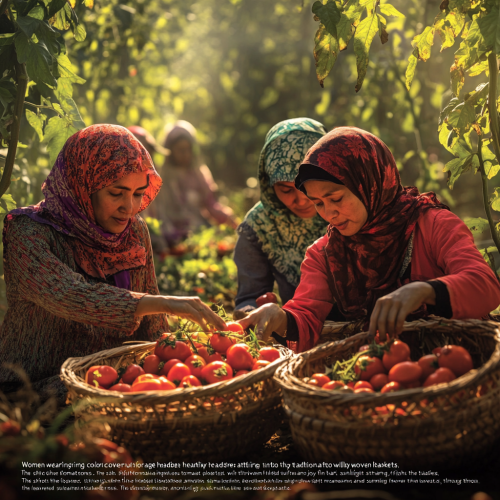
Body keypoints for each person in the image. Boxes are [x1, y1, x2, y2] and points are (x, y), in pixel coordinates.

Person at [0, 124, 226, 397]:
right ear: (83, 184)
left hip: (111, 383)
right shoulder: (28, 232)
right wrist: (163, 302)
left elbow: (153, 330)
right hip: (35, 388)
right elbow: (68, 294)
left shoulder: (134, 232)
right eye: (116, 193)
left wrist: (176, 367)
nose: (129, 208)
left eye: (138, 194)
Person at [238, 127, 500, 352]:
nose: (329, 214)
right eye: (318, 203)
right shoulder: (325, 254)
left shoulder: (432, 225)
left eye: (336, 199)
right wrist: (280, 316)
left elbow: (485, 286)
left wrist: (424, 290)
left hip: (462, 360)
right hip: (388, 374)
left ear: (368, 181)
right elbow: (305, 313)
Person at [234, 118, 328, 316]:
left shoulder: (351, 208)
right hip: (300, 329)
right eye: (286, 190)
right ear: (269, 183)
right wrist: (250, 313)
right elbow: (251, 296)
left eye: (307, 186)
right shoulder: (260, 226)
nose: (301, 201)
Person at [146, 120, 236, 250]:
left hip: (199, 233)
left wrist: (230, 220)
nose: (186, 154)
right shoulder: (161, 178)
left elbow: (211, 204)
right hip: (170, 238)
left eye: (188, 149)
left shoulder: (198, 174)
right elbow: (159, 214)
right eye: (181, 150)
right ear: (169, 151)